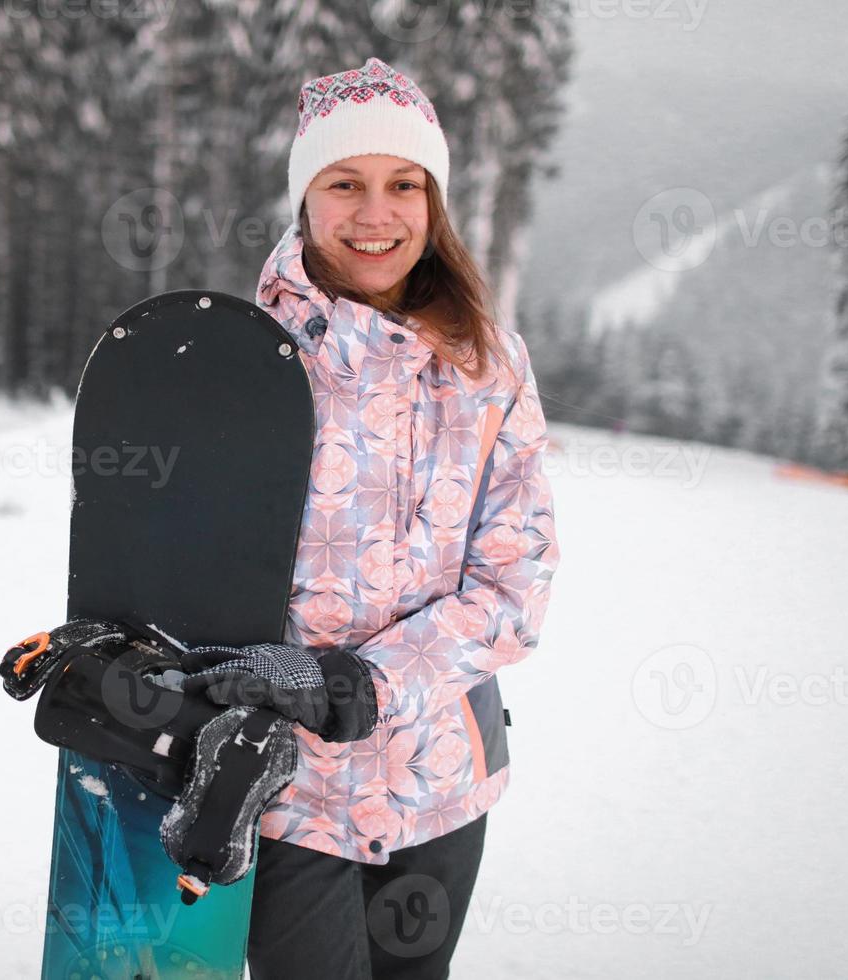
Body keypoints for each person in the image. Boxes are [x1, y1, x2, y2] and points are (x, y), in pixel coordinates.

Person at [177, 56, 562, 979]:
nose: (375, 214)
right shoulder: (237, 357)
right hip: (288, 789)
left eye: (404, 185)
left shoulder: (489, 365)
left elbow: (515, 586)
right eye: (344, 183)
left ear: (434, 203)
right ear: (305, 198)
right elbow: (179, 570)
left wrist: (364, 684)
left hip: (441, 784)